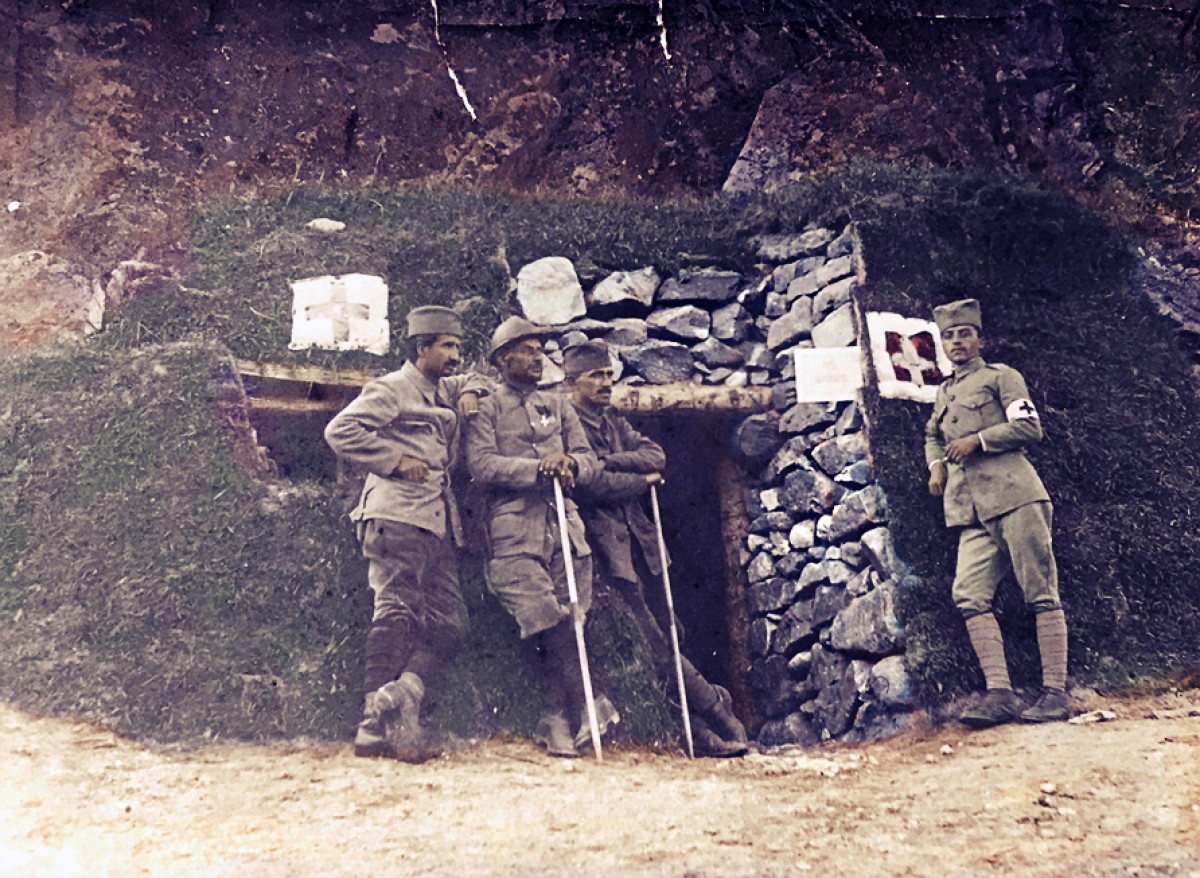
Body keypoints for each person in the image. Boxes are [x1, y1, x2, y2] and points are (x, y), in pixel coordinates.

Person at [563, 341, 749, 757]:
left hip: (641, 545)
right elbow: (591, 484)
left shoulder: (613, 420)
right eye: (596, 376)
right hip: (605, 549)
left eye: (610, 375)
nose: (607, 383)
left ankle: (708, 720)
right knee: (653, 646)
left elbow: (656, 454)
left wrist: (611, 462)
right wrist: (639, 480)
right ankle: (711, 715)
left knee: (668, 635)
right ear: (572, 381)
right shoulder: (567, 421)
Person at [324, 305, 487, 761]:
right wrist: (394, 461)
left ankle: (399, 696)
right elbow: (340, 431)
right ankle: (371, 727)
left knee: (450, 624)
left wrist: (472, 388)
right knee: (395, 611)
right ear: (422, 348)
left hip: (435, 521)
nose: (455, 355)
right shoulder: (393, 388)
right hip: (395, 515)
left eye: (458, 346)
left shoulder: (443, 388)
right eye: (448, 347)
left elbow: (480, 378)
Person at [464, 317, 618, 758]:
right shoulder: (488, 406)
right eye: (528, 350)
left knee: (573, 615)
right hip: (513, 532)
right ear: (502, 359)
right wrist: (536, 468)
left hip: (565, 527)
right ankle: (582, 708)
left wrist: (569, 462)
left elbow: (590, 460)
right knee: (541, 616)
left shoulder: (559, 404)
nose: (537, 358)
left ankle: (565, 719)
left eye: (540, 350)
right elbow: (481, 464)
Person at [924, 298, 1070, 727]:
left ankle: (1056, 694)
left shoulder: (1001, 377)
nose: (956, 343)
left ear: (980, 339)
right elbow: (933, 435)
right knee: (968, 594)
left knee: (1040, 590)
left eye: (964, 334)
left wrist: (978, 440)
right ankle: (1000, 694)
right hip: (971, 510)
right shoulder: (945, 391)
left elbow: (1029, 427)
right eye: (949, 336)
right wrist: (936, 466)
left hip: (1015, 495)